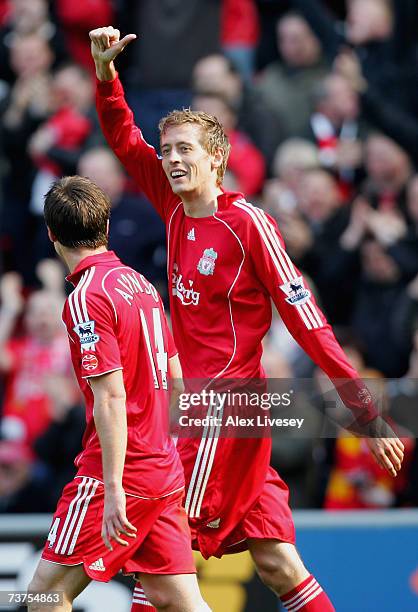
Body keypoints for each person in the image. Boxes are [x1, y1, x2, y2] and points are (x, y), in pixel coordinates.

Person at [90, 27, 405, 612]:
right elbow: (124, 138)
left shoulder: (248, 225)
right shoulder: (172, 204)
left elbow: (307, 319)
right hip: (206, 407)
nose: (173, 159)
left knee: (159, 544)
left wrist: (362, 407)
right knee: (278, 564)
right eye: (169, 150)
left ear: (217, 156)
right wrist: (107, 78)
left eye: (186, 149)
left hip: (223, 407)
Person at [27, 176, 210, 612]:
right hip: (160, 467)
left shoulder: (86, 297)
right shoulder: (140, 284)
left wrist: (112, 487)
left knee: (42, 597)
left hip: (120, 472)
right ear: (106, 224)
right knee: (178, 600)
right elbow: (176, 374)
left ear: (51, 234)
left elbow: (110, 397)